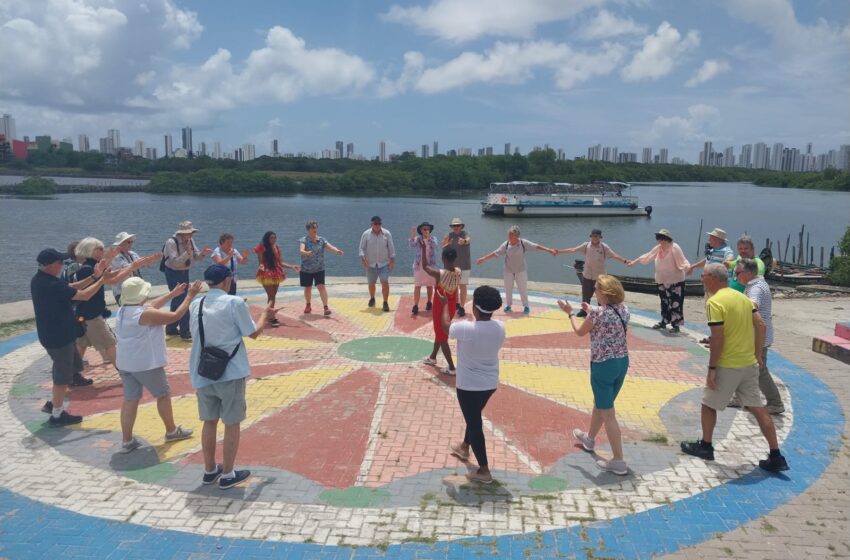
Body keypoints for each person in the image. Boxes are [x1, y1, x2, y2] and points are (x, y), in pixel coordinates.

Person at [680, 264, 789, 473]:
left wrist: (712, 368)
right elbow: (761, 325)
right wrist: (757, 353)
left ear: (713, 278)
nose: (702, 280)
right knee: (758, 408)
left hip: (728, 364)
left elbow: (717, 337)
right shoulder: (743, 298)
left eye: (703, 276)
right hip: (749, 364)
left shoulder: (714, 302)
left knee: (708, 404)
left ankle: (706, 446)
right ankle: (776, 455)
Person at [189, 265, 276, 489]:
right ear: (227, 281)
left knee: (209, 422)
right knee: (231, 423)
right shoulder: (234, 303)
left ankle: (210, 470)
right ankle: (228, 474)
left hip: (203, 371)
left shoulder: (196, 304)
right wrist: (265, 315)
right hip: (230, 372)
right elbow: (253, 333)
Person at [31, 248, 119, 424]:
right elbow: (84, 295)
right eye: (59, 263)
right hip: (58, 337)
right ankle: (56, 413)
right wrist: (102, 280)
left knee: (72, 368)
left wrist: (95, 276)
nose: (62, 265)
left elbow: (72, 287)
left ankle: (66, 390)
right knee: (61, 375)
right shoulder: (51, 285)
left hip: (60, 333)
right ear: (49, 265)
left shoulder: (42, 280)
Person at [114, 277, 201, 452]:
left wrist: (172, 294)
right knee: (163, 394)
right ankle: (171, 430)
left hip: (125, 363)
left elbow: (151, 305)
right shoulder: (142, 314)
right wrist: (190, 296)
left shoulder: (124, 310)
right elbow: (174, 316)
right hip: (146, 364)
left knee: (130, 399)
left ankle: (127, 440)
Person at [557, 275, 631, 475]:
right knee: (602, 404)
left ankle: (618, 461)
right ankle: (589, 439)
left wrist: (571, 313)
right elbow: (608, 320)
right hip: (622, 362)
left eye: (596, 289)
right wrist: (590, 311)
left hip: (603, 365)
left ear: (604, 293)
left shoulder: (597, 313)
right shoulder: (624, 309)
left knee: (608, 413)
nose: (594, 292)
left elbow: (580, 331)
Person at [440, 285, 505, 483]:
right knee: (474, 415)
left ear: (475, 308)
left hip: (468, 386)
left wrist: (444, 305)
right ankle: (464, 447)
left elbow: (445, 326)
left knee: (475, 423)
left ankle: (484, 470)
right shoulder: (500, 327)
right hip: (489, 383)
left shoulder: (465, 328)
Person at [74, 237, 158, 369]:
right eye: (99, 248)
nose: (103, 250)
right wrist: (131, 267)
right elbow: (112, 280)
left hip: (85, 313)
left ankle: (72, 374)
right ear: (90, 251)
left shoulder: (90, 266)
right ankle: (124, 371)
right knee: (110, 344)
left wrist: (132, 266)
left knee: (82, 343)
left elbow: (111, 275)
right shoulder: (88, 269)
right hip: (91, 314)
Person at [729, 258, 785, 414]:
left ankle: (775, 403)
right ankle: (740, 397)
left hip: (757, 337)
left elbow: (752, 305)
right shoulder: (754, 284)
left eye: (737, 273)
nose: (735, 276)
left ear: (747, 273)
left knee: (759, 370)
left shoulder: (756, 288)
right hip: (753, 335)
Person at [476, 225, 556, 314]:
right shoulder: (506, 244)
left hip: (520, 270)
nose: (509, 237)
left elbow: (536, 247)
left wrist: (549, 250)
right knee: (508, 288)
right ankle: (508, 305)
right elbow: (496, 253)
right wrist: (484, 258)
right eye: (508, 235)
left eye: (511, 235)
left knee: (523, 288)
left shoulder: (523, 243)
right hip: (508, 270)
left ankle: (526, 306)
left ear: (517, 236)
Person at [627, 229, 690, 333]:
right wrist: (634, 262)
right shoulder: (659, 248)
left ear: (666, 239)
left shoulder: (675, 248)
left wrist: (688, 268)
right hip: (661, 280)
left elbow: (683, 261)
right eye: (658, 238)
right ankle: (664, 321)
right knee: (664, 302)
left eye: (661, 238)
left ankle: (676, 325)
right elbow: (648, 256)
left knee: (675, 303)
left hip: (675, 281)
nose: (659, 240)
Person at [555, 229, 627, 317]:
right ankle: (584, 311)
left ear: (600, 237)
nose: (594, 237)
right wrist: (559, 251)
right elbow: (573, 250)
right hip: (587, 275)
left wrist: (625, 261)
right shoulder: (586, 245)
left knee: (602, 296)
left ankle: (602, 312)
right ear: (591, 236)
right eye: (593, 236)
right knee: (585, 295)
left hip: (600, 278)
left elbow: (614, 255)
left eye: (596, 236)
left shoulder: (604, 247)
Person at [161, 221, 212, 339]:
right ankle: (185, 331)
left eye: (191, 233)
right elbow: (176, 262)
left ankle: (171, 328)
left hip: (184, 272)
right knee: (183, 300)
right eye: (188, 233)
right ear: (182, 233)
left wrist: (203, 254)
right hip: (173, 273)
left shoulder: (190, 241)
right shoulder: (171, 242)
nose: (190, 236)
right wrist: (187, 253)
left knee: (177, 300)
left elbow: (196, 256)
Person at [420, 240, 462, 375]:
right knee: (440, 333)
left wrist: (423, 248)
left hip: (440, 307)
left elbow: (425, 266)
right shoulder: (459, 271)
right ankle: (433, 357)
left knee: (442, 337)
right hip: (450, 307)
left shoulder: (439, 273)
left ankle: (451, 367)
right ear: (455, 259)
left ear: (443, 258)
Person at [255, 231, 299, 327]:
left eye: (274, 238)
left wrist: (292, 266)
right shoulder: (261, 248)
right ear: (267, 238)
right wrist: (262, 268)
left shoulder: (276, 248)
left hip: (276, 273)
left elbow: (281, 263)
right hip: (266, 273)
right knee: (271, 296)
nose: (273, 239)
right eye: (271, 238)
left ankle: (269, 315)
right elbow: (260, 262)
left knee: (273, 296)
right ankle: (271, 317)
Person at [299, 221, 344, 315]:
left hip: (319, 268)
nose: (315, 229)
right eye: (312, 228)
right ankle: (308, 305)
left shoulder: (322, 240)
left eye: (315, 227)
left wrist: (337, 251)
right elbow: (301, 250)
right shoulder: (304, 240)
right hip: (306, 269)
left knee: (321, 286)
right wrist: (306, 253)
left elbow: (330, 247)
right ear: (308, 229)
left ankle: (325, 307)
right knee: (308, 288)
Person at [359, 216, 395, 312]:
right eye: (375, 223)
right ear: (371, 224)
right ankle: (372, 298)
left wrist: (392, 261)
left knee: (385, 282)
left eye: (379, 223)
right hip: (370, 264)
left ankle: (385, 302)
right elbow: (361, 248)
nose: (378, 225)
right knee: (371, 284)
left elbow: (391, 248)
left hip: (384, 264)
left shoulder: (387, 234)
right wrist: (363, 259)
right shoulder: (366, 234)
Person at [442, 217, 472, 317]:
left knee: (462, 286)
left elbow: (468, 240)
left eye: (457, 225)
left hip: (464, 265)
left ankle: (462, 307)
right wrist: (447, 244)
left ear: (461, 226)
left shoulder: (465, 234)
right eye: (454, 226)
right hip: (452, 266)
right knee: (453, 287)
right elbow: (443, 246)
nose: (456, 227)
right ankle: (456, 303)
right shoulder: (449, 235)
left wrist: (464, 241)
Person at [110, 232, 148, 306]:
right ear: (120, 244)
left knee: (139, 310)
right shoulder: (115, 257)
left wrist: (147, 262)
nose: (131, 244)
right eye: (128, 242)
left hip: (136, 287)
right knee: (127, 311)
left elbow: (141, 265)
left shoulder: (133, 253)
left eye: (131, 241)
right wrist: (141, 263)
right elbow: (127, 267)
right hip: (122, 291)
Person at [409, 222, 438, 315]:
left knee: (429, 285)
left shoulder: (433, 239)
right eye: (424, 229)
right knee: (417, 286)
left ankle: (429, 302)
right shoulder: (418, 239)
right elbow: (411, 245)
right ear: (421, 230)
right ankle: (416, 305)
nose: (426, 231)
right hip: (419, 266)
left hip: (430, 266)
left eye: (428, 229)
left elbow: (435, 245)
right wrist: (413, 235)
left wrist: (428, 238)